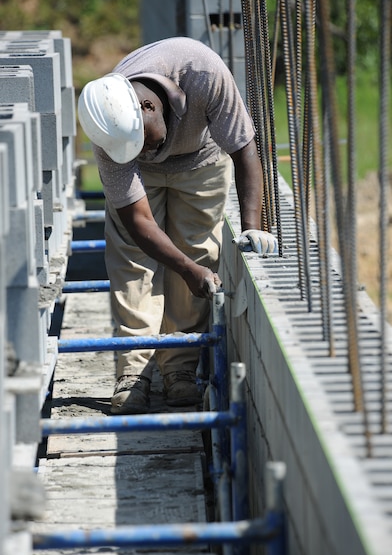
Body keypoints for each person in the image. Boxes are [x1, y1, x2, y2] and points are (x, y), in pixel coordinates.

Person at [78, 37, 277, 415]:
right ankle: (133, 373)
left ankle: (180, 371)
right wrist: (185, 270)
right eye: (134, 149)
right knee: (133, 262)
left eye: (145, 142)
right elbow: (137, 223)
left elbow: (245, 150)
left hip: (201, 161)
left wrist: (253, 228)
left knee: (198, 250)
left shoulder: (203, 73)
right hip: (141, 179)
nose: (145, 152)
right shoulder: (111, 125)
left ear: (149, 106)